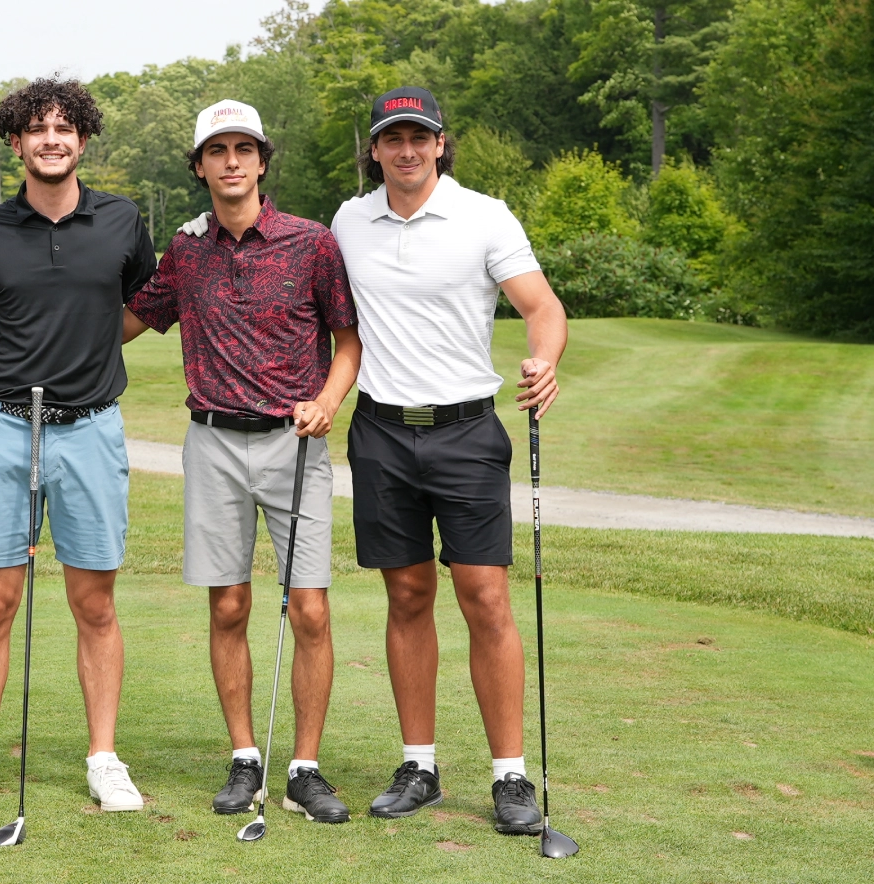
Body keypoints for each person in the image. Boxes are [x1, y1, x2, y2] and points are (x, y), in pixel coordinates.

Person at [328, 87, 568, 835]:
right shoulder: (348, 220)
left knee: (486, 597)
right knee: (406, 597)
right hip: (381, 432)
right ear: (374, 149)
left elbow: (542, 307)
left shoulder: (484, 215)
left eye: (419, 138)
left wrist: (544, 360)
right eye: (392, 138)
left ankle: (511, 777)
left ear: (440, 144)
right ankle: (421, 766)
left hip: (466, 431)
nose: (406, 150)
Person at [128, 100, 361, 823]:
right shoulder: (186, 249)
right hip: (213, 443)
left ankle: (305, 767)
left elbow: (347, 339)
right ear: (199, 167)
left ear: (262, 162)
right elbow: (129, 320)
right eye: (216, 151)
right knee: (228, 604)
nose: (231, 161)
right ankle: (243, 758)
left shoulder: (312, 242)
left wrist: (328, 399)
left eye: (244, 149)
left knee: (311, 610)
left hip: (297, 443)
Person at [0, 78, 157, 817]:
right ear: (16, 143)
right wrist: (7, 364)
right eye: (38, 129)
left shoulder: (123, 221)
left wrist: (88, 350)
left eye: (65, 128)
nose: (52, 139)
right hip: (2, 429)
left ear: (84, 139)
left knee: (94, 603)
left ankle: (104, 757)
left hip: (91, 429)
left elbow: (138, 309)